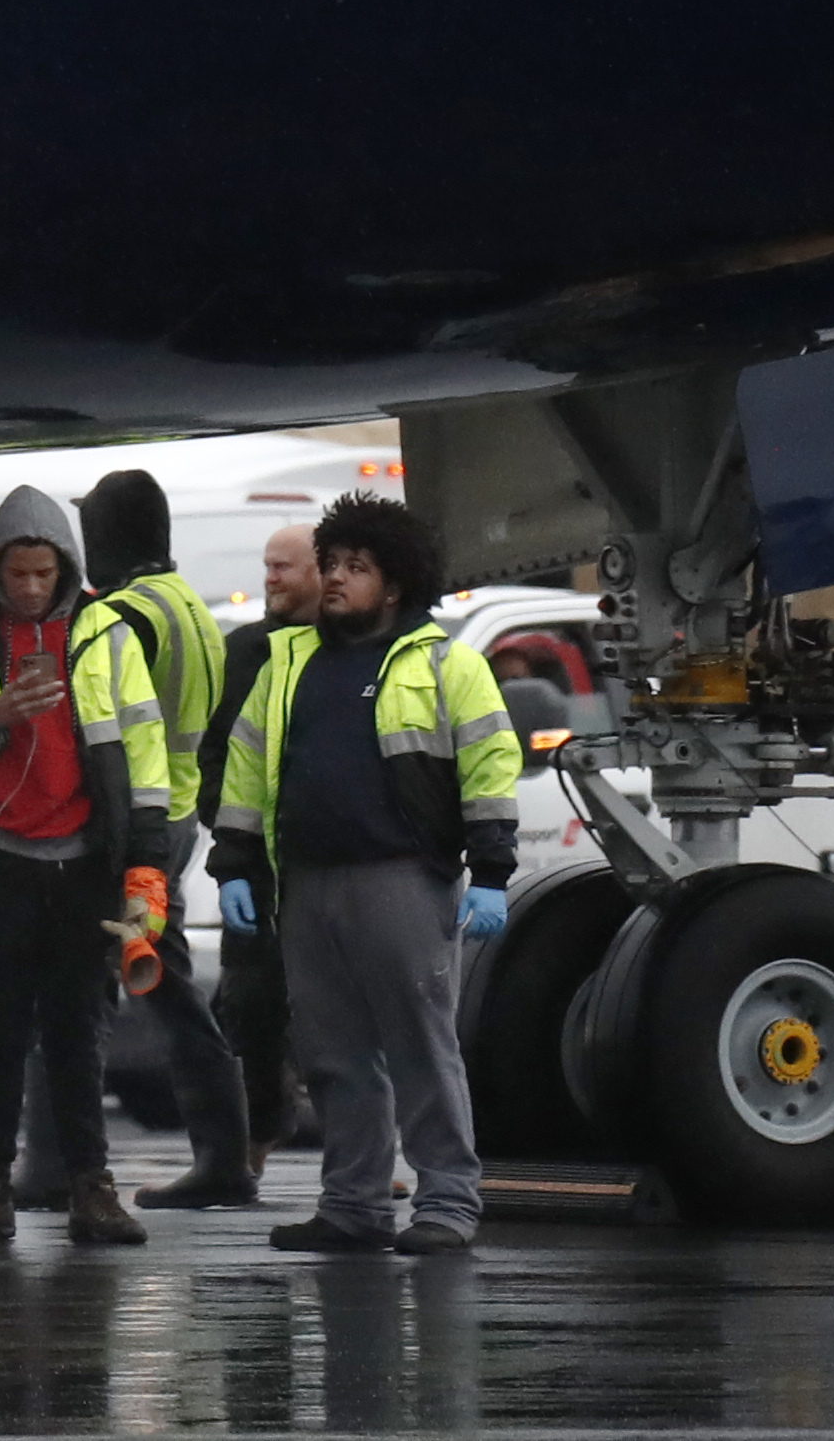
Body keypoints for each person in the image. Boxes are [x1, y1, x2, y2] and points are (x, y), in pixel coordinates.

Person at [210, 490, 522, 1255]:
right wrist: (235, 863)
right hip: (308, 884)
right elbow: (245, 771)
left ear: (395, 581)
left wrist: (489, 868)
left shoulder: (446, 664)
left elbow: (488, 763)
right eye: (332, 564)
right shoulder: (287, 666)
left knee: (419, 1046)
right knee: (331, 1052)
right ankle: (352, 1203)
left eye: (356, 566)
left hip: (400, 879)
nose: (337, 579)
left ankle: (446, 1201)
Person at [0, 488, 157, 1247]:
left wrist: (146, 868)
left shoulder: (107, 630)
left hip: (84, 860)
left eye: (42, 573)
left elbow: (145, 754)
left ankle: (92, 1185)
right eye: (14, 573)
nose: (27, 588)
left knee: (78, 1032)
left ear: (65, 569)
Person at [80, 469, 255, 1209]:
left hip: (127, 833)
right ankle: (222, 1156)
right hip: (173, 823)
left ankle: (54, 1161)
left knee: (75, 990)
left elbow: (105, 732)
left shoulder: (120, 615)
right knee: (165, 981)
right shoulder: (186, 605)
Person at [204, 523, 318, 1165]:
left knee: (339, 1017)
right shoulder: (245, 652)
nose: (270, 578)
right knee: (251, 1007)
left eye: (284, 567)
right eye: (266, 565)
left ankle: (359, 1156)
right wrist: (229, 843)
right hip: (255, 862)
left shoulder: (348, 648)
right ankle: (254, 1140)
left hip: (324, 861)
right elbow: (217, 753)